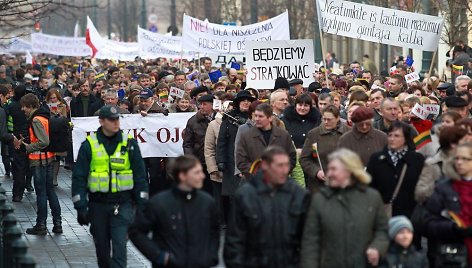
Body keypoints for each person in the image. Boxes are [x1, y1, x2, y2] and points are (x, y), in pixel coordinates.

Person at [71, 105, 149, 268]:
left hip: (123, 204)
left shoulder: (129, 144)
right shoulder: (89, 145)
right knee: (102, 250)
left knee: (120, 246)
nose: (116, 123)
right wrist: (80, 207)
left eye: (117, 119)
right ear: (101, 121)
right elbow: (79, 178)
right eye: (111, 120)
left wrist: (142, 206)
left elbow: (140, 176)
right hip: (98, 205)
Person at [300, 148, 389, 268]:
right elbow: (311, 242)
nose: (329, 173)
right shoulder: (320, 200)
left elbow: (382, 230)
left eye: (333, 169)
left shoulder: (372, 198)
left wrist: (377, 247)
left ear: (349, 170)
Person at [224, 146, 310, 268]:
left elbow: (308, 239)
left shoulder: (299, 195)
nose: (285, 170)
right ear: (265, 165)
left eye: (286, 165)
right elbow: (235, 240)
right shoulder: (245, 196)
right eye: (279, 165)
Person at [129, 155, 219, 268]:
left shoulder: (207, 202)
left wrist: (211, 256)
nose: (202, 176)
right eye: (196, 172)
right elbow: (136, 232)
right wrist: (159, 256)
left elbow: (214, 232)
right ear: (183, 176)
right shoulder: (159, 203)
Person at [17, 93, 62, 235]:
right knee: (50, 192)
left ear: (30, 106)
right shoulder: (44, 116)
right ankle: (57, 223)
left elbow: (44, 141)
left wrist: (27, 147)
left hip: (40, 161)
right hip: (49, 158)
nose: (23, 109)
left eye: (24, 106)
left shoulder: (36, 119)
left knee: (41, 192)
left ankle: (41, 224)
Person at [423, 143, 472, 267]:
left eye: (465, 159)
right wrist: (453, 228)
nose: (459, 162)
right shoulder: (443, 187)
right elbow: (429, 223)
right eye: (457, 158)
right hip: (452, 256)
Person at [236, 103, 297, 178]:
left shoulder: (283, 135)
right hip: (255, 183)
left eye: (261, 116)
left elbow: (291, 158)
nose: (257, 119)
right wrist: (259, 171)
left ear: (270, 118)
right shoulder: (246, 136)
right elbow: (241, 161)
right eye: (256, 116)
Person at [300, 105, 350, 192]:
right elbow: (304, 159)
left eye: (329, 119)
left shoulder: (348, 133)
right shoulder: (314, 134)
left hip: (344, 186)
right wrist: (316, 171)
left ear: (338, 118)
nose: (326, 122)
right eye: (324, 119)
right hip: (319, 187)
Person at [415, 126, 466, 203]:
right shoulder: (433, 164)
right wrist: (440, 184)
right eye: (464, 141)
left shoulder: (468, 163)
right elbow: (420, 195)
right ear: (453, 144)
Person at [183, 94, 216, 193]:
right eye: (200, 104)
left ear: (212, 105)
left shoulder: (220, 120)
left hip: (216, 162)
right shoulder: (193, 121)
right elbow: (187, 144)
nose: (201, 107)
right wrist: (191, 161)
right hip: (200, 162)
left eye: (204, 104)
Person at [6, 84, 33, 201]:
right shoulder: (30, 108)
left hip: (17, 139)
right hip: (30, 139)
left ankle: (17, 194)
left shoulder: (12, 107)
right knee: (31, 166)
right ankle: (29, 184)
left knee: (19, 168)